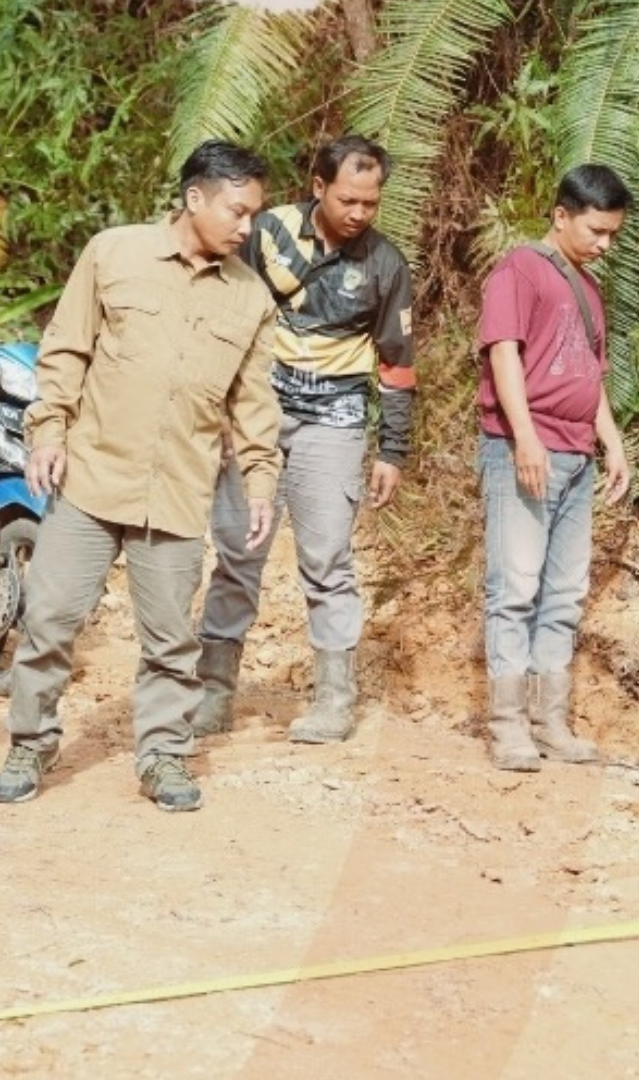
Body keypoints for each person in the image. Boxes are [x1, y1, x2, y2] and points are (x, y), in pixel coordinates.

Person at [0, 140, 281, 812]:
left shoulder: (251, 299)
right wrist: (47, 431)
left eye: (254, 215)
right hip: (92, 478)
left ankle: (164, 757)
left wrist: (261, 480)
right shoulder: (113, 253)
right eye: (237, 212)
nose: (247, 228)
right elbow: (65, 349)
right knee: (52, 620)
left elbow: (255, 403)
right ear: (195, 198)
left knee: (171, 641)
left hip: (178, 490)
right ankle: (30, 741)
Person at [193, 135, 415, 744]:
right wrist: (217, 416)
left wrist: (392, 449)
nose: (359, 214)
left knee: (327, 562)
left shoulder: (385, 264)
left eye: (371, 203)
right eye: (348, 199)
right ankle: (213, 692)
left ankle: (334, 699)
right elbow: (225, 317)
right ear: (318, 188)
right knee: (239, 553)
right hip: (257, 415)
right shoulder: (266, 233)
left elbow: (397, 363)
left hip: (335, 419)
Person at [475, 164, 633, 773]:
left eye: (613, 234)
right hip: (528, 449)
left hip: (577, 454)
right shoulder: (521, 269)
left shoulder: (588, 288)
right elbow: (505, 353)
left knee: (564, 592)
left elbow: (591, 376)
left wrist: (611, 443)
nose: (605, 244)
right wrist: (524, 437)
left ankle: (551, 721)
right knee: (515, 586)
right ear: (561, 216)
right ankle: (509, 726)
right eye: (596, 230)